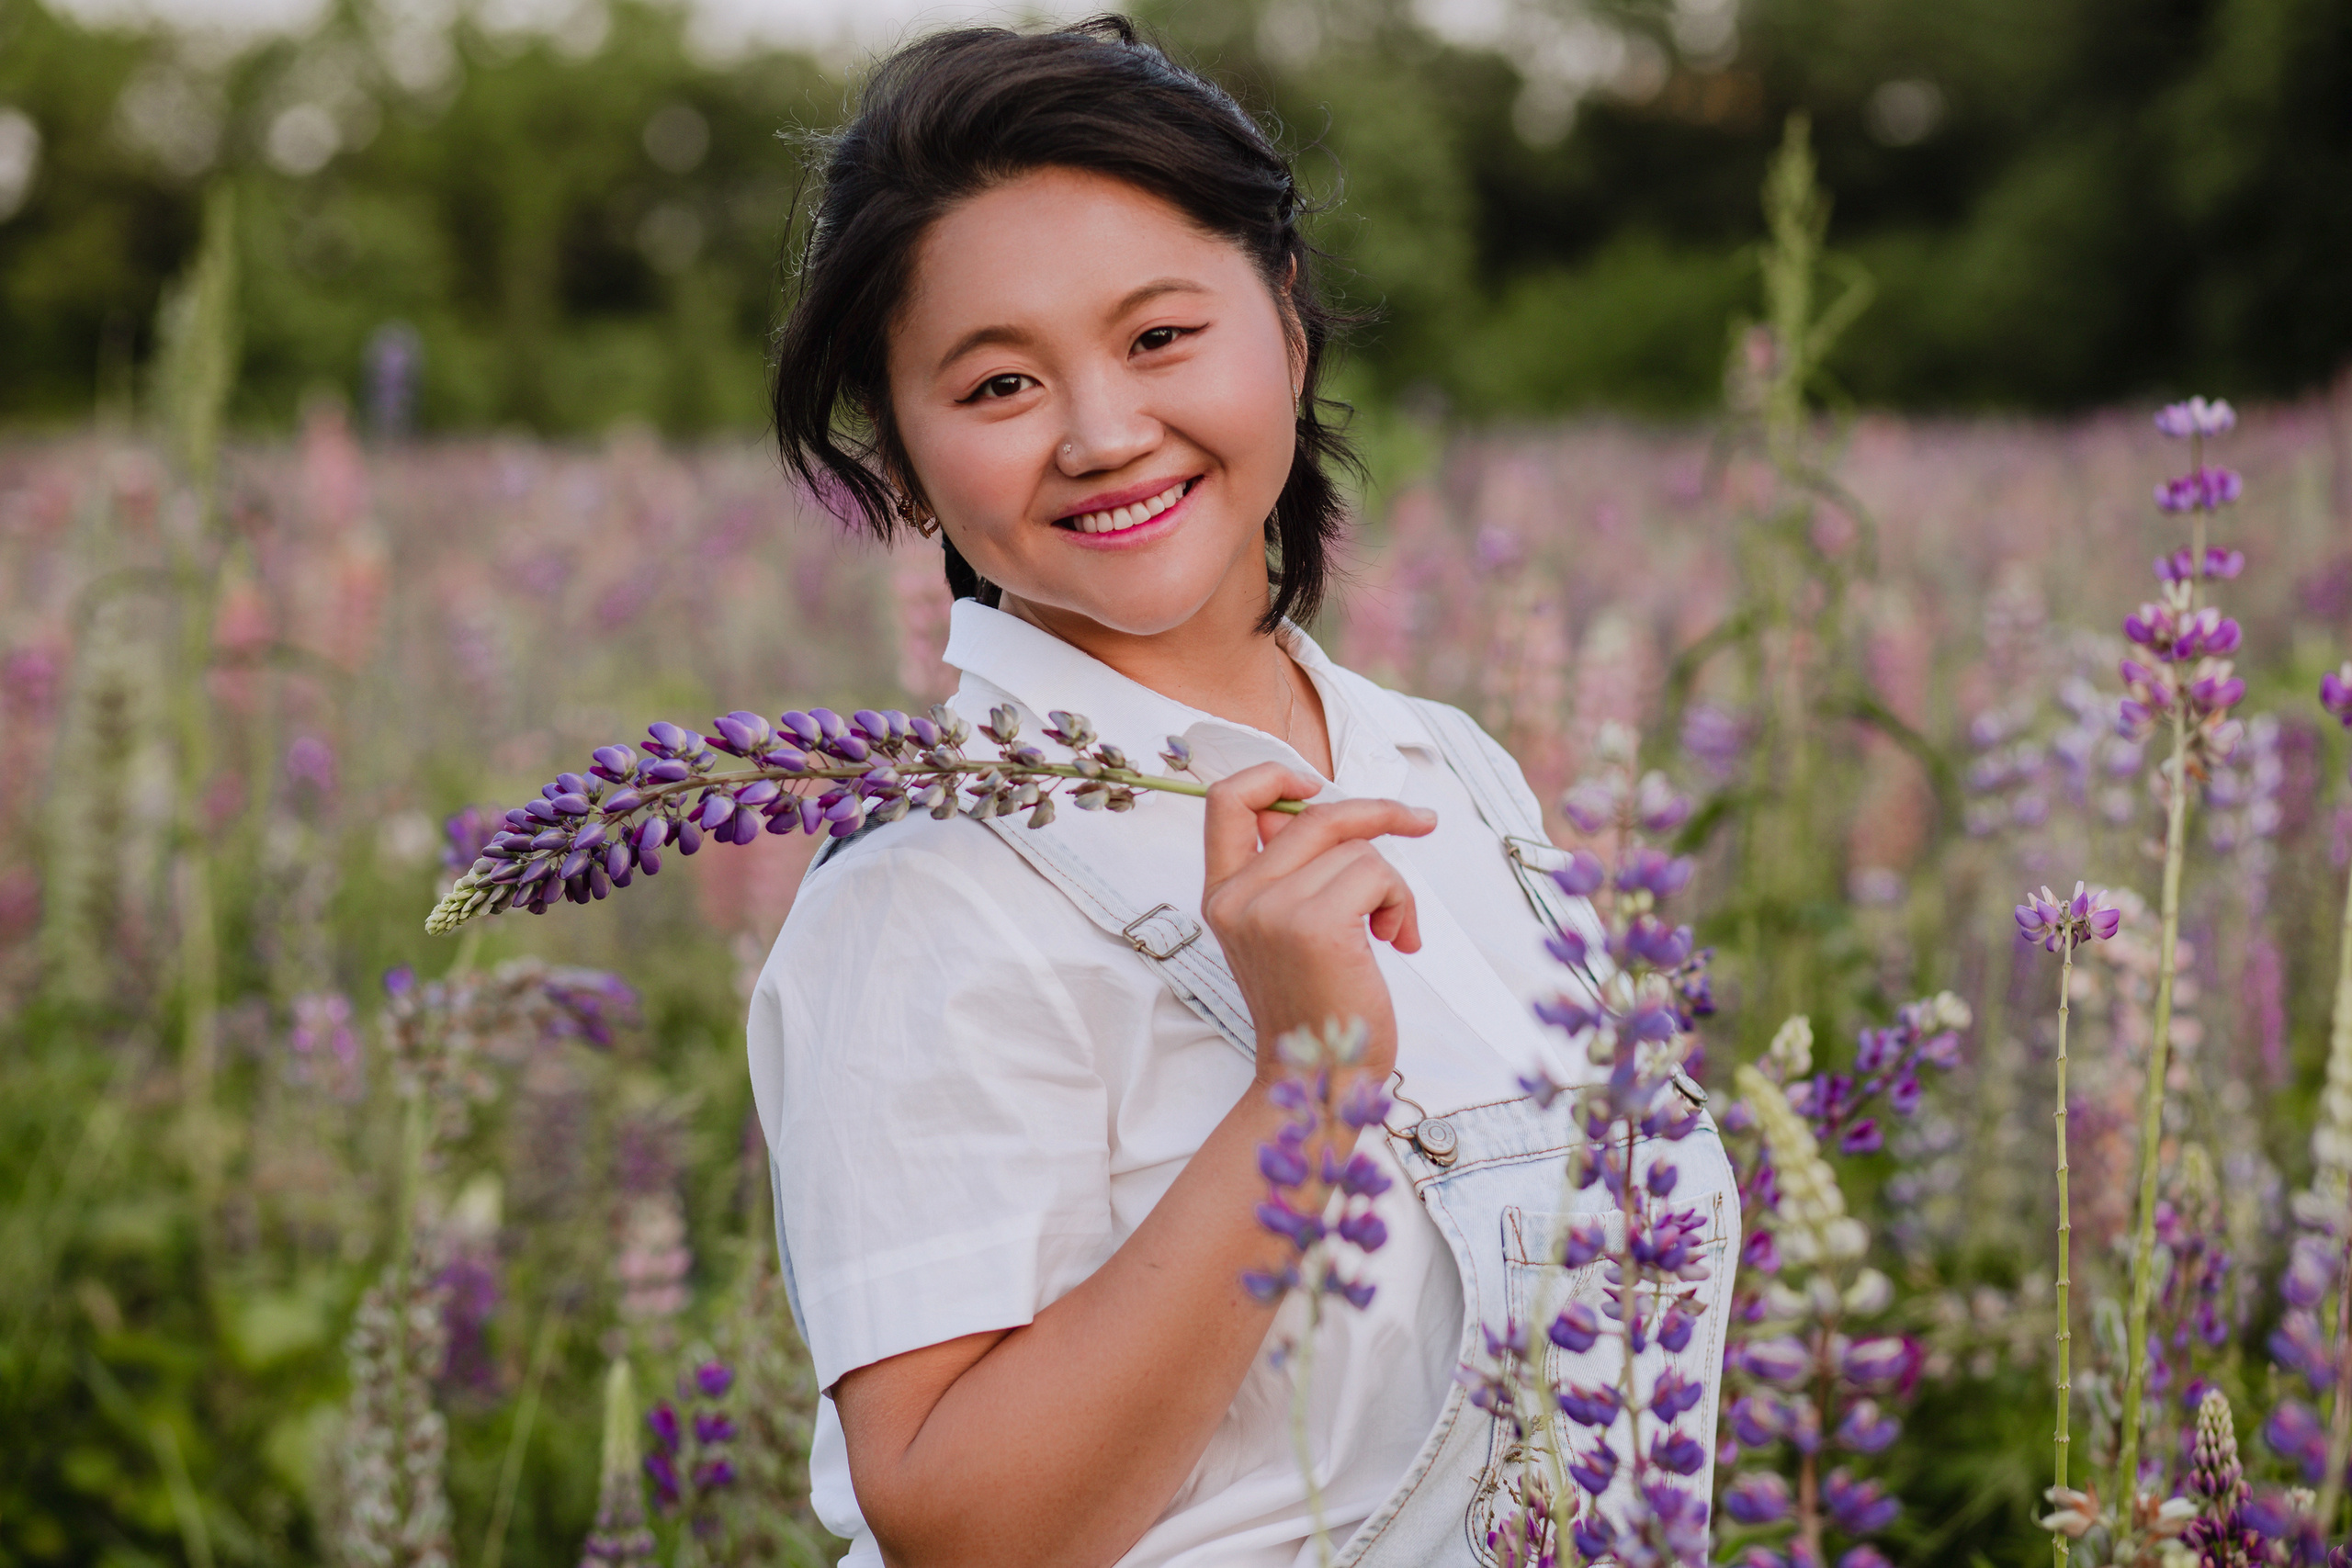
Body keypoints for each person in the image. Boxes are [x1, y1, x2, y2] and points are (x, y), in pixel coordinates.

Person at [749, 18, 1736, 1567]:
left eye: (1157, 338)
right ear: (903, 453)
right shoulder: (927, 889)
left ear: (1283, 317)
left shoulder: (1445, 768)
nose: (1102, 432)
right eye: (999, 384)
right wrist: (1308, 1093)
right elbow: (962, 1532)